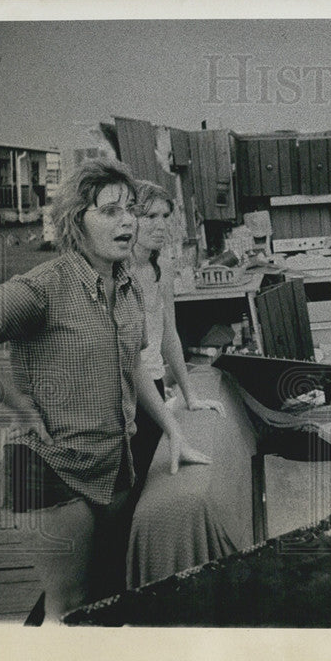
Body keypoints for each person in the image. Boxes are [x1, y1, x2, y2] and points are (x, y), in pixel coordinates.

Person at [0, 159, 208, 622]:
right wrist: (17, 401)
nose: (127, 221)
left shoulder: (127, 286)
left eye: (130, 209)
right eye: (109, 211)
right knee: (66, 604)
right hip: (47, 465)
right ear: (75, 222)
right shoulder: (41, 288)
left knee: (103, 590)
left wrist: (174, 432)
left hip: (111, 460)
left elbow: (131, 366)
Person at [128, 180, 224, 493]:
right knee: (130, 479)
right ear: (130, 218)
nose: (160, 225)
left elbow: (169, 332)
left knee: (152, 474)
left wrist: (190, 395)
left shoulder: (163, 268)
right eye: (150, 216)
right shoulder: (118, 271)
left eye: (165, 216)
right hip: (125, 388)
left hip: (154, 380)